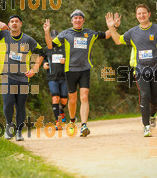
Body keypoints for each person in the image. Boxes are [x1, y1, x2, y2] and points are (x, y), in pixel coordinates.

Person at [43, 9, 120, 137]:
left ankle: (84, 125)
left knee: (84, 97)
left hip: (84, 69)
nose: (77, 20)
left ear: (83, 20)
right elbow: (50, 45)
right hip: (70, 70)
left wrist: (114, 26)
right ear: (72, 20)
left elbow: (106, 35)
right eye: (75, 18)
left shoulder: (89, 33)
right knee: (72, 100)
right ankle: (72, 122)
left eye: (80, 18)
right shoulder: (65, 34)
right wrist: (46, 33)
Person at [106, 4, 157, 137]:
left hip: (156, 68)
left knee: (154, 100)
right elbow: (118, 40)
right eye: (139, 13)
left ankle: (152, 114)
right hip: (140, 69)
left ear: (149, 14)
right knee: (145, 95)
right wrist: (111, 27)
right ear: (136, 16)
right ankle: (146, 126)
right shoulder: (133, 32)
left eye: (144, 13)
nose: (141, 15)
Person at [0, 15, 44, 141]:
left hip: (23, 78)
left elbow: (41, 53)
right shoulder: (2, 35)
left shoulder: (28, 40)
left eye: (16, 21)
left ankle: (18, 132)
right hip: (6, 76)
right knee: (8, 103)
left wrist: (34, 70)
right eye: (12, 22)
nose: (14, 23)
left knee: (20, 106)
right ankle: (8, 126)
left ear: (20, 24)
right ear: (9, 24)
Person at [42, 29, 68, 130]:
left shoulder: (65, 48)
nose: (53, 40)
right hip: (52, 77)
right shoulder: (47, 49)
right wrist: (44, 64)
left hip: (64, 77)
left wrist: (66, 60)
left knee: (64, 100)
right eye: (52, 38)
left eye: (55, 38)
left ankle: (61, 110)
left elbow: (71, 59)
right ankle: (57, 121)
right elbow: (44, 58)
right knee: (55, 98)